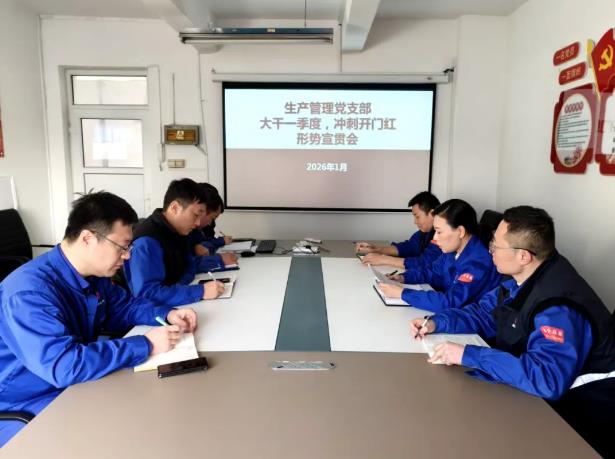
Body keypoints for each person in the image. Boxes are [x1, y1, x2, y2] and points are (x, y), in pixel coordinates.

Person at [410, 206, 615, 457]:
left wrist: (468, 355)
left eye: (495, 246)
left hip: (581, 415)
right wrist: (436, 322)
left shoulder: (558, 307)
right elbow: (484, 313)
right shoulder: (523, 277)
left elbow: (546, 378)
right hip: (541, 395)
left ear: (523, 256)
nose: (490, 251)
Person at [0, 192, 197, 447]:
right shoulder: (29, 293)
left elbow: (124, 307)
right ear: (88, 238)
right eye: (123, 247)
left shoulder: (92, 275)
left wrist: (167, 313)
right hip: (26, 401)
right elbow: (64, 366)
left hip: (71, 384)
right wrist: (146, 344)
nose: (128, 256)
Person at [123, 178, 231, 307]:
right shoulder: (146, 242)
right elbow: (147, 294)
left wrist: (218, 261)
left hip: (179, 301)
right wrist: (200, 291)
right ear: (174, 208)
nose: (198, 223)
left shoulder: (178, 230)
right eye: (195, 215)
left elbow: (189, 264)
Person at [379, 199, 501, 312]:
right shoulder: (452, 251)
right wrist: (402, 278)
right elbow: (432, 272)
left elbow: (450, 302)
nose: (435, 238)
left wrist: (402, 293)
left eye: (439, 231)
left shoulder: (478, 263)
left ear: (460, 231)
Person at [357, 191, 442, 270]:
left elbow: (425, 263)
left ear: (432, 214)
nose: (415, 222)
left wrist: (384, 259)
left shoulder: (441, 237)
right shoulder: (424, 233)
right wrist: (377, 249)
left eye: (417, 217)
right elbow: (408, 247)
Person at [189, 184, 233, 257]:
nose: (210, 223)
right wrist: (220, 259)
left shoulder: (196, 230)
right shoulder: (183, 229)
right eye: (212, 218)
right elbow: (189, 260)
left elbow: (203, 242)